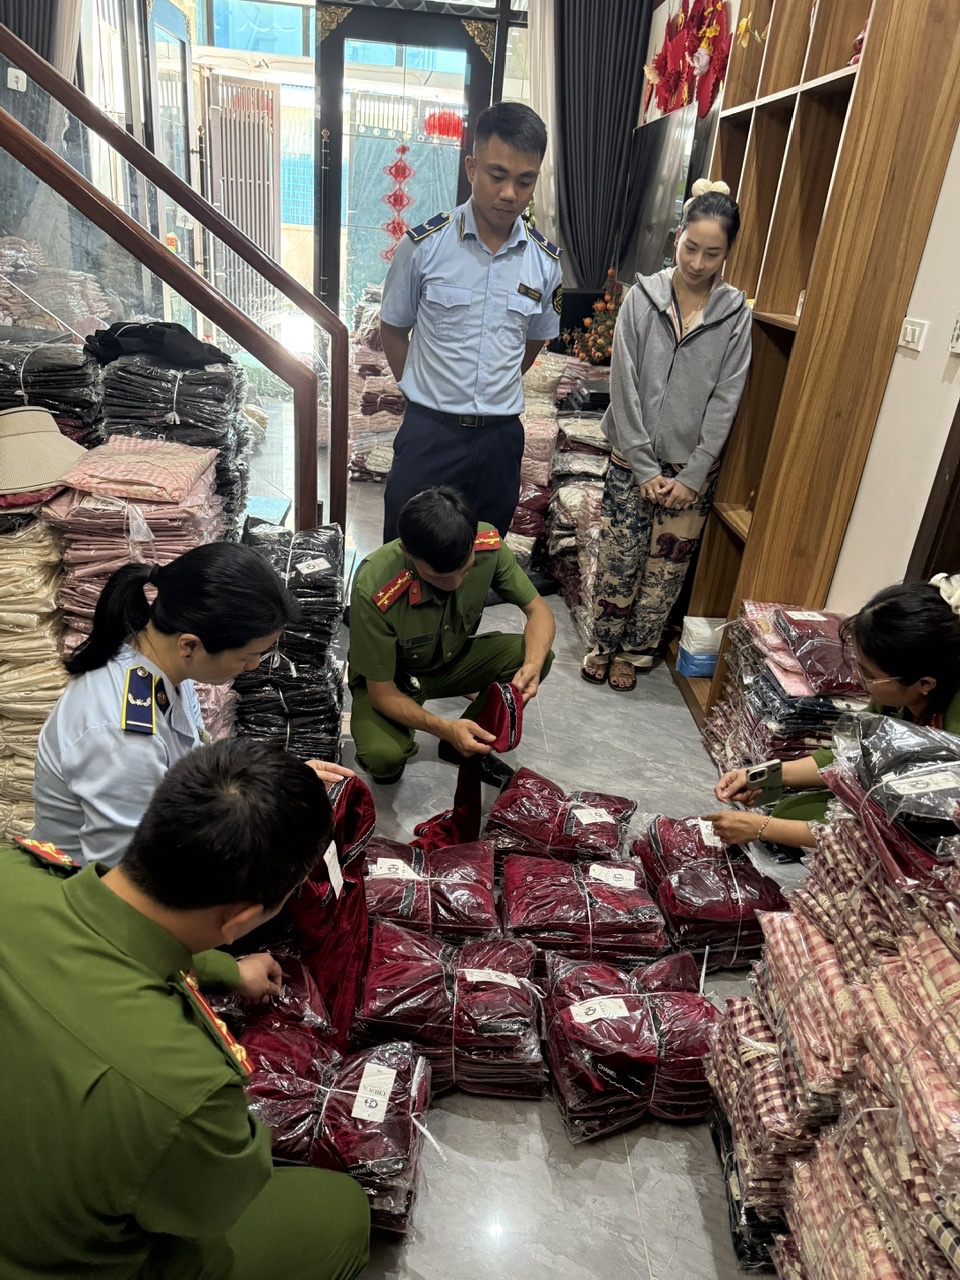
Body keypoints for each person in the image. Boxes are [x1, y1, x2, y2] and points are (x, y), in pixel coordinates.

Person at [0, 737, 371, 1280]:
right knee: (341, 1211)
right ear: (242, 918)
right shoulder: (186, 1089)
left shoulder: (14, 870)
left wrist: (223, 969)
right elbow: (212, 1208)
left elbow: (113, 937)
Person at [33, 541, 353, 866]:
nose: (254, 666)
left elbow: (193, 769)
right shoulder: (123, 734)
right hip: (89, 885)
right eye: (248, 655)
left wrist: (277, 788)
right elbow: (122, 871)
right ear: (190, 646)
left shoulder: (159, 669)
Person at [582, 178, 752, 693]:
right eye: (690, 247)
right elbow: (624, 383)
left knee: (664, 573)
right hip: (630, 462)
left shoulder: (734, 314)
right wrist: (642, 463)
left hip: (690, 474)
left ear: (728, 252)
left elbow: (727, 398)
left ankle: (634, 653)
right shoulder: (641, 298)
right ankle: (602, 645)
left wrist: (694, 473)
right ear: (678, 235)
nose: (697, 262)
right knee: (619, 561)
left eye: (712, 253)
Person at [378, 101, 563, 542]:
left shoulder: (545, 263)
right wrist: (422, 391)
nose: (509, 193)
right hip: (431, 434)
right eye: (497, 175)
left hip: (500, 442)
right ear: (471, 167)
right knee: (406, 555)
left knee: (481, 559)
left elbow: (534, 340)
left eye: (525, 181)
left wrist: (495, 387)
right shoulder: (424, 247)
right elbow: (393, 328)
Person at [705, 577, 960, 850]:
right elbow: (850, 755)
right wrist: (763, 775)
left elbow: (906, 830)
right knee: (790, 812)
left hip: (939, 828)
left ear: (925, 683)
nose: (856, 678)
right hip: (894, 798)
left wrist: (762, 828)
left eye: (869, 674)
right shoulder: (896, 702)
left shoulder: (952, 735)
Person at [347, 485, 556, 786]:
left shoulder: (487, 545)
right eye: (440, 577)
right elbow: (381, 693)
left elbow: (538, 611)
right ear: (407, 552)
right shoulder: (375, 587)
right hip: (393, 680)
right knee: (383, 759)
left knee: (536, 655)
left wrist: (533, 665)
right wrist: (444, 727)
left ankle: (466, 743)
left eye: (465, 569)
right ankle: (437, 735)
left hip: (452, 661)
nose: (456, 583)